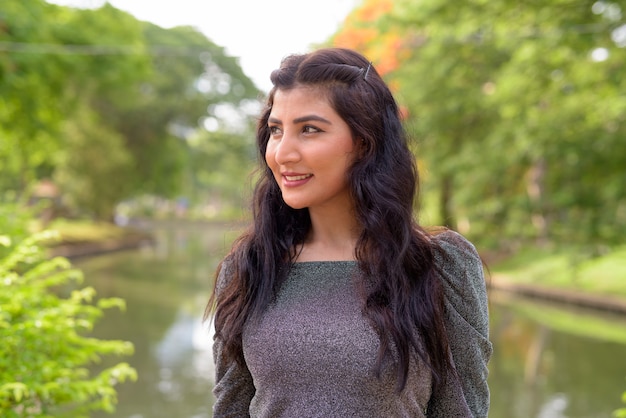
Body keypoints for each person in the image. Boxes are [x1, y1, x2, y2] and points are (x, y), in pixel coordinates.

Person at [205, 47, 492, 417]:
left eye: (309, 129)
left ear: (363, 142)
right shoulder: (250, 267)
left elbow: (462, 410)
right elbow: (229, 409)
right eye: (276, 130)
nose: (282, 153)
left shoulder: (441, 264)